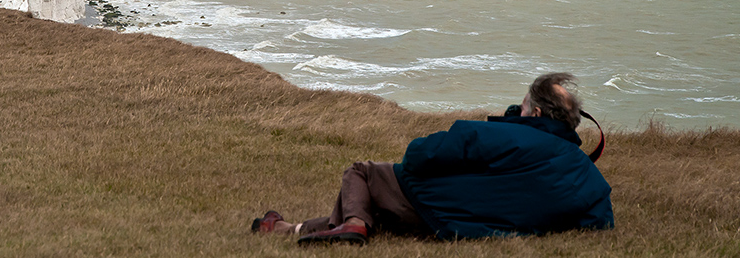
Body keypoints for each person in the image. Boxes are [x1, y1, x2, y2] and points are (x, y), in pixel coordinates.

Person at [252, 73, 614, 244]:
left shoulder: (506, 134)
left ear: (534, 114)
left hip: (441, 210)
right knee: (372, 207)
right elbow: (599, 223)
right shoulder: (591, 181)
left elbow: (418, 157)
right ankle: (290, 229)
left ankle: (355, 227)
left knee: (362, 174)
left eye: (521, 105)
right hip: (471, 224)